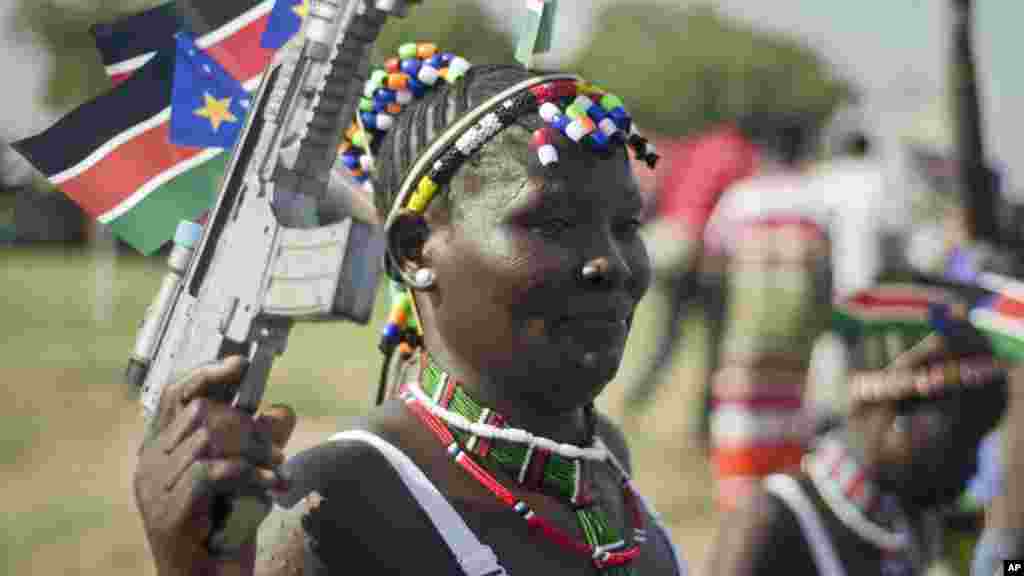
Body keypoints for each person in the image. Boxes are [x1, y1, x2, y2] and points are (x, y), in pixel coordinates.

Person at [132, 44, 689, 576]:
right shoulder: (334, 501)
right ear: (413, 248)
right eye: (553, 224)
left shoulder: (598, 459)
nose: (611, 263)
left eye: (626, 227)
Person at [707, 298, 1008, 576]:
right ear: (895, 410)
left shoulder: (907, 529)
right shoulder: (770, 523)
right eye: (962, 443)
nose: (974, 469)